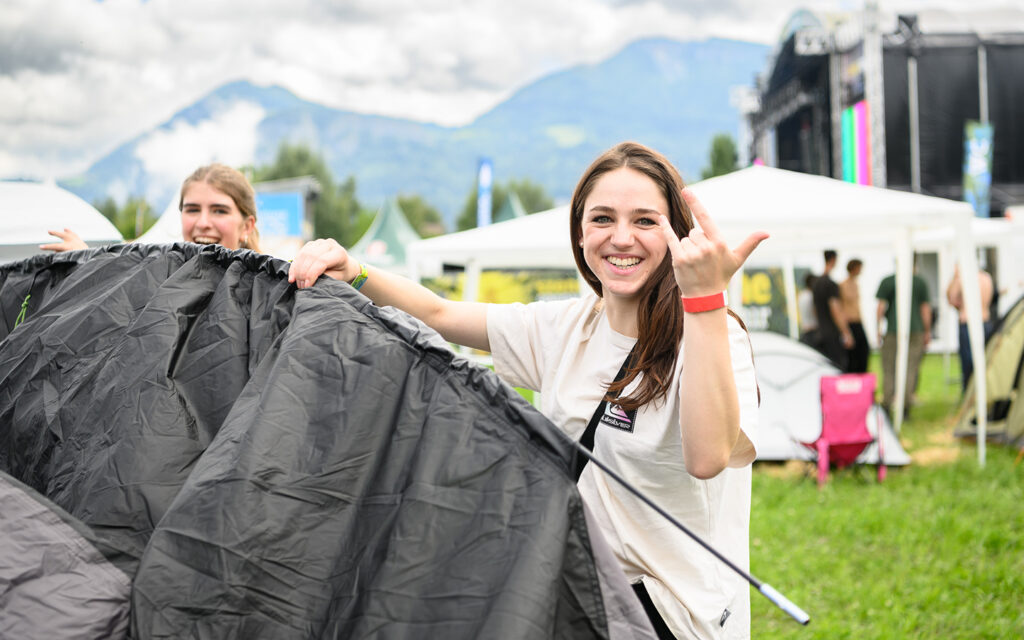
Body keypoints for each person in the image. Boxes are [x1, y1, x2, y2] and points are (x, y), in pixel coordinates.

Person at [288, 142, 767, 639]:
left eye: (645, 221)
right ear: (580, 232)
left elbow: (707, 457)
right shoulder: (565, 327)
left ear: (677, 234)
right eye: (602, 218)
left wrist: (704, 299)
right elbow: (440, 313)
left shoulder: (714, 333)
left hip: (671, 618)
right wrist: (355, 271)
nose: (622, 238)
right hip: (578, 600)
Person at [40, 163, 261, 253]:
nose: (203, 223)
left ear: (247, 226)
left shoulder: (268, 292)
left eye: (219, 211)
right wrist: (87, 263)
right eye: (192, 210)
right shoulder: (159, 277)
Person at [875, 261, 932, 417]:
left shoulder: (888, 281)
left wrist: (878, 329)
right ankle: (905, 406)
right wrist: (927, 331)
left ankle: (887, 403)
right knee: (911, 368)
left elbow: (880, 307)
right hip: (915, 331)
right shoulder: (919, 282)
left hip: (892, 331)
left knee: (889, 369)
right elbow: (925, 309)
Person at [946, 264, 995, 390]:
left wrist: (956, 277)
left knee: (968, 363)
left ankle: (969, 390)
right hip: (985, 321)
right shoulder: (986, 277)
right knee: (986, 359)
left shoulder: (963, 277)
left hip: (967, 322)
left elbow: (951, 298)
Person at [811, 250, 853, 370]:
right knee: (838, 368)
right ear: (834, 260)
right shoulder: (830, 284)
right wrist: (846, 332)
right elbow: (835, 310)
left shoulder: (816, 283)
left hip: (820, 332)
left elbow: (814, 309)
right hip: (832, 333)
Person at [839, 258, 869, 373]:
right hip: (849, 322)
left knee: (864, 351)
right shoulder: (843, 285)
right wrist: (845, 330)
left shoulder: (856, 284)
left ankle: (861, 377)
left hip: (858, 321)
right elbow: (840, 307)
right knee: (852, 355)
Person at [797, 273, 819, 347]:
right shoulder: (811, 296)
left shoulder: (802, 295)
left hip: (805, 331)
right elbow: (815, 312)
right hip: (813, 332)